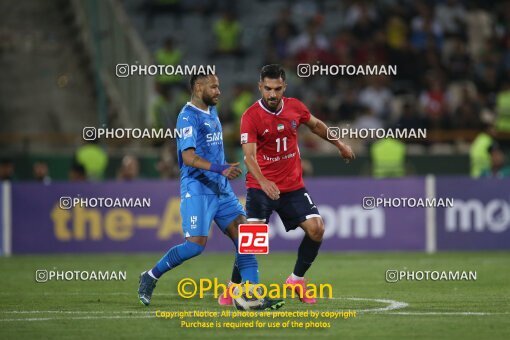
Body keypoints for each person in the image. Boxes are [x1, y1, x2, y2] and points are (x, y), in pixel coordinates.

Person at [138, 72, 284, 310]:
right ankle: (150, 276)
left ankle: (250, 296)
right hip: (197, 189)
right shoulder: (187, 117)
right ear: (198, 88)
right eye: (214, 87)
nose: (219, 91)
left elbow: (212, 147)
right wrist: (220, 168)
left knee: (246, 236)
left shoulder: (212, 111)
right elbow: (187, 157)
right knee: (195, 246)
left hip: (221, 188)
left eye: (219, 86)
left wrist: (225, 168)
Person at [218, 65, 355, 306]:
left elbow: (316, 125)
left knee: (317, 228)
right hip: (261, 188)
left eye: (277, 89)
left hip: (292, 187)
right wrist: (264, 181)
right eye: (268, 89)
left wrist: (339, 144)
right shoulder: (250, 116)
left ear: (284, 87)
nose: (272, 94)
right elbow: (249, 157)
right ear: (260, 86)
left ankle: (296, 280)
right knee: (252, 242)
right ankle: (233, 287)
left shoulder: (295, 107)